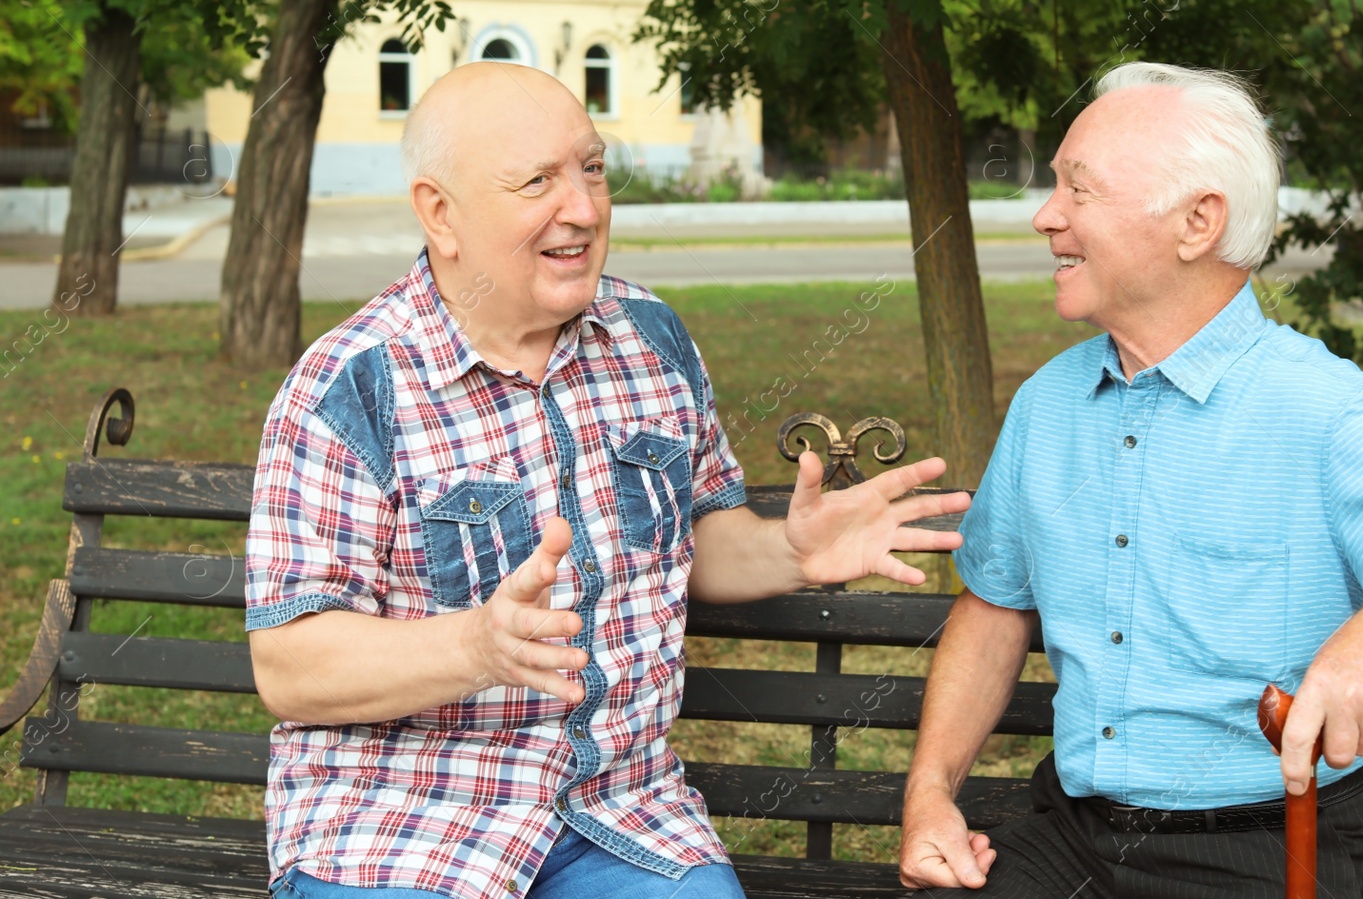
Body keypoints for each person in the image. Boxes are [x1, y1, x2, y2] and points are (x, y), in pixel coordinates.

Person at [244, 62, 970, 899]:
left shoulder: (650, 339)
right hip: (403, 825)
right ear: (439, 213)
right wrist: (476, 645)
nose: (584, 209)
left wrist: (790, 550)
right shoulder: (351, 387)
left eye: (591, 168)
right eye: (538, 182)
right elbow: (291, 663)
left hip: (622, 817)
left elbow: (694, 538)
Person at [897, 62, 1363, 898]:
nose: (1048, 216)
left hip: (1278, 847)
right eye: (1055, 187)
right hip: (1073, 840)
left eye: (1081, 190)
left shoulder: (1333, 414)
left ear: (1198, 221)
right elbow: (995, 602)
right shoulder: (1047, 405)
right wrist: (929, 796)